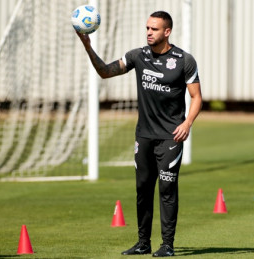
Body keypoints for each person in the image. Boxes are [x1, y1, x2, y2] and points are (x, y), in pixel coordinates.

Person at [76, 11, 202, 257]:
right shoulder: (138, 56)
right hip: (143, 136)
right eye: (147, 28)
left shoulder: (184, 60)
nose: (148, 32)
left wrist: (187, 123)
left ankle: (167, 245)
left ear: (167, 32)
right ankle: (143, 242)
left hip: (170, 137)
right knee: (143, 189)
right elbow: (105, 71)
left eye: (154, 29)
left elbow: (197, 97)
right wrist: (88, 46)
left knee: (167, 189)